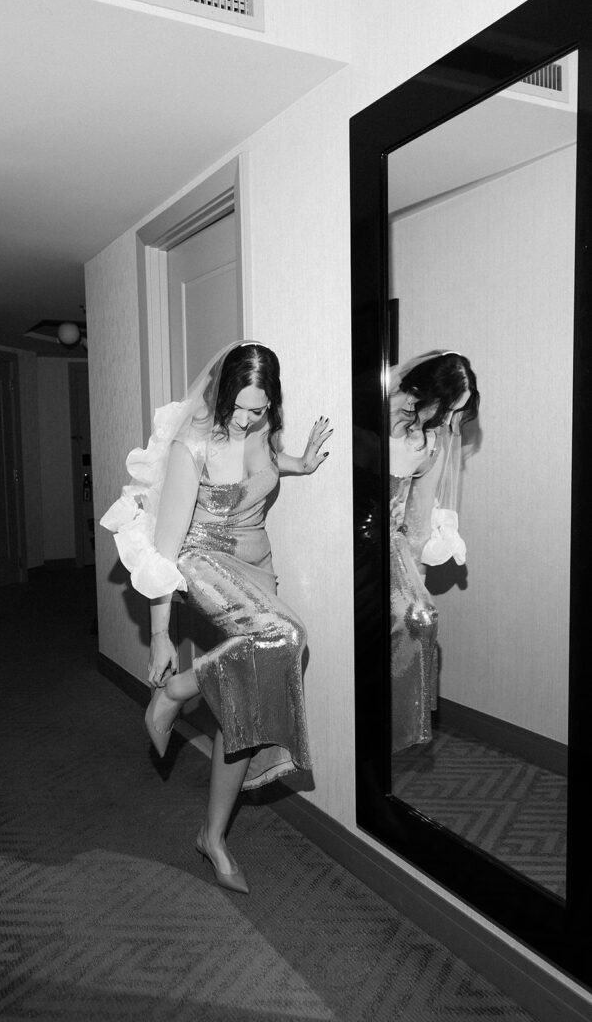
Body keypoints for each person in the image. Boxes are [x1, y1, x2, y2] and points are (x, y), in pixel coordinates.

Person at [100, 343, 331, 894]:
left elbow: (265, 468)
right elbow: (164, 550)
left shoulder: (263, 424)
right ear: (221, 391)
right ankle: (177, 687)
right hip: (202, 559)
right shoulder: (193, 446)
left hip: (257, 566)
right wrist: (159, 636)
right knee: (288, 635)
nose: (250, 418)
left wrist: (299, 462)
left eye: (260, 408)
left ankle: (213, 836)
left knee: (244, 709)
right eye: (241, 407)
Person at [388, 350, 479, 752]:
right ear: (425, 392)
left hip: (388, 545)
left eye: (453, 414)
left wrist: (416, 583)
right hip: (344, 541)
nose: (446, 422)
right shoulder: (371, 409)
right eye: (445, 409)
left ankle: (391, 730)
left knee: (419, 618)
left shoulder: (432, 442)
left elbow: (419, 520)